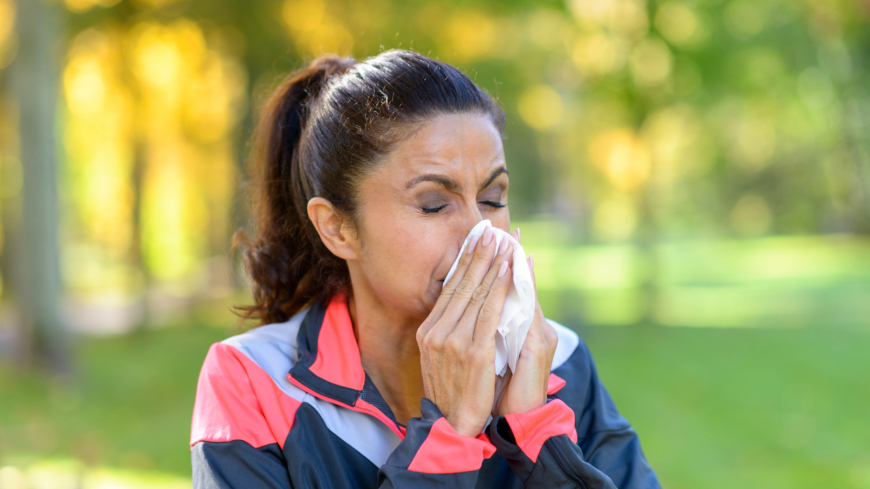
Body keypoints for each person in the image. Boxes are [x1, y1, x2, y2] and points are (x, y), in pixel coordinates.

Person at [190, 49, 660, 488]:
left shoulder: (558, 362)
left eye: (493, 199)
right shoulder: (252, 380)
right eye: (434, 204)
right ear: (337, 228)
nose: (480, 234)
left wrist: (538, 436)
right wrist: (449, 436)